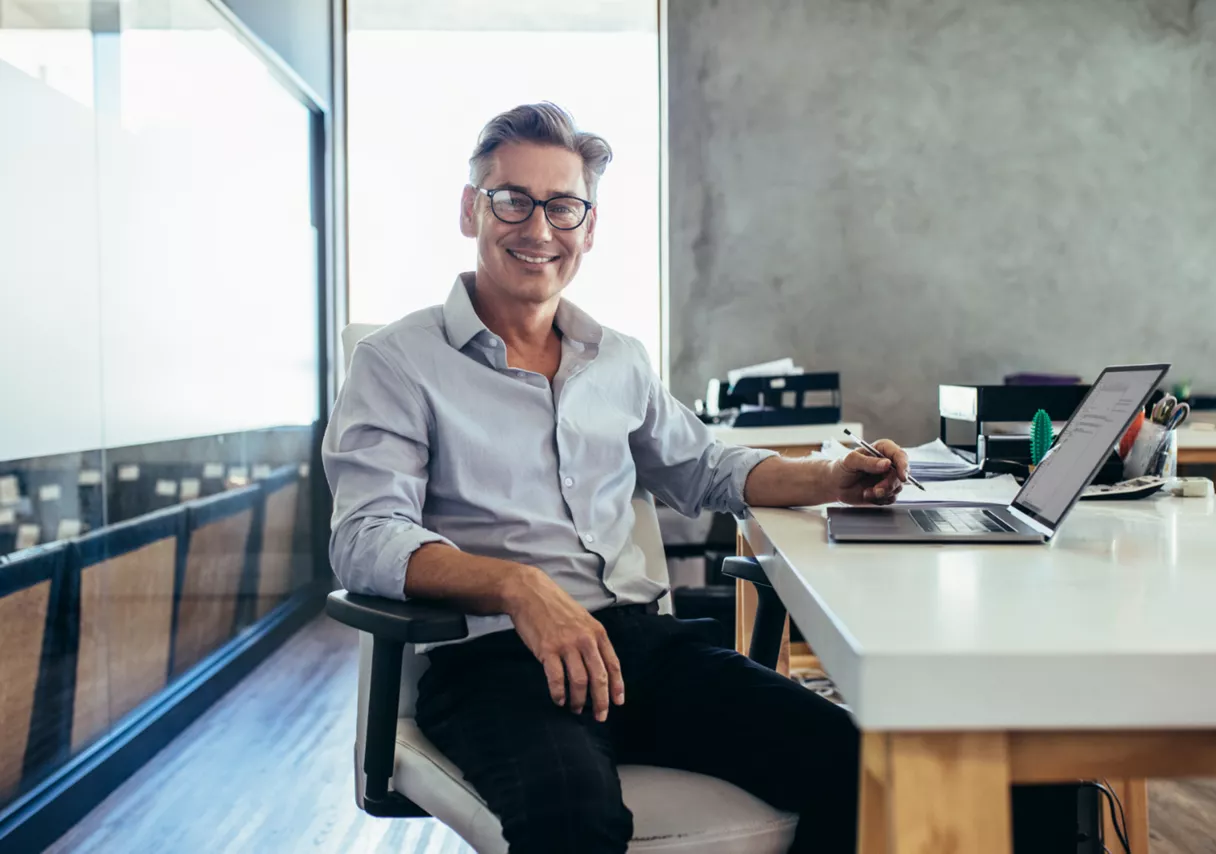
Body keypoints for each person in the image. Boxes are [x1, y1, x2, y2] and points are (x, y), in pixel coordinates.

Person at [323, 102, 910, 854]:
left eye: (562, 206)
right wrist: (520, 587)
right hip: (495, 663)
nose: (538, 229)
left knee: (861, 765)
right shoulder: (399, 363)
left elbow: (705, 467)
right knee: (573, 819)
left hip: (639, 647)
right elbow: (366, 535)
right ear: (472, 209)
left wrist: (833, 475)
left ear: (589, 227)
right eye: (512, 200)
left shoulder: (618, 358)